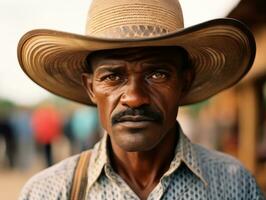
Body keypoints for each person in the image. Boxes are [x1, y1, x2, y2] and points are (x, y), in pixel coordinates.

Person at [17, 0, 264, 199]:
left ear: (184, 82)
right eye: (113, 76)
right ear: (90, 87)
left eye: (157, 74)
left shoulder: (234, 185)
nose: (135, 98)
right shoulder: (48, 192)